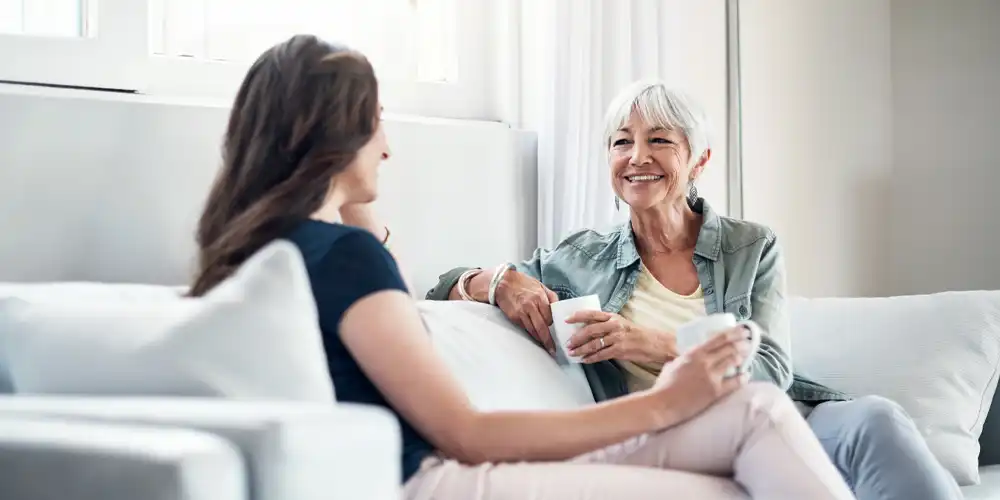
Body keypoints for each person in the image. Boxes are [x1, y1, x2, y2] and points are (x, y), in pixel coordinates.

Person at [188, 35, 855, 500]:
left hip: (413, 469)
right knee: (741, 468)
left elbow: (388, 269)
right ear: (337, 136)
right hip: (432, 478)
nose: (388, 146)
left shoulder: (266, 250)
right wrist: (664, 403)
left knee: (762, 412)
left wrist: (347, 196)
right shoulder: (340, 257)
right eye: (377, 122)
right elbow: (468, 433)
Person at [426, 80, 962, 500]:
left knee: (875, 418)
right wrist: (499, 281)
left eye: (659, 140)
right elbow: (443, 286)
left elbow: (770, 372)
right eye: (621, 142)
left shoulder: (750, 246)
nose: (637, 156)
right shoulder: (579, 259)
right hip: (670, 435)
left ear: (698, 160)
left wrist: (648, 342)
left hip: (779, 417)